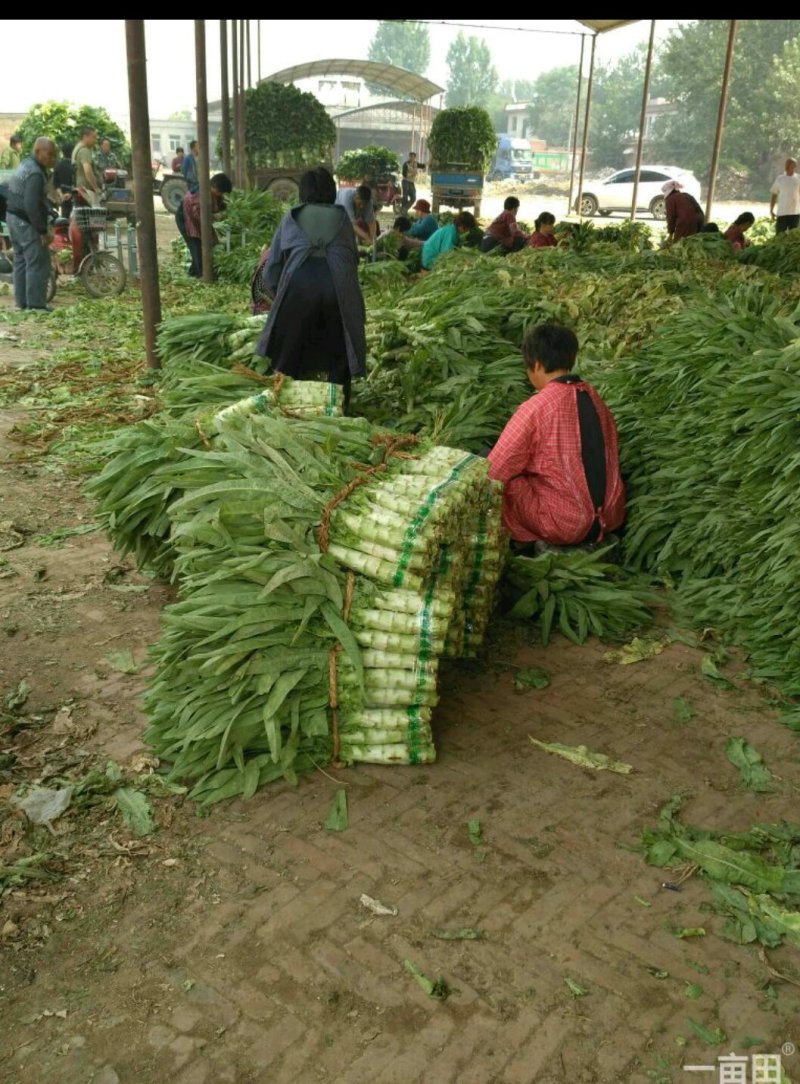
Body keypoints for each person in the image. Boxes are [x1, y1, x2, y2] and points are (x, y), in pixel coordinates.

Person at [488, 323, 625, 547]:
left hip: (566, 524)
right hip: (610, 516)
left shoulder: (537, 408)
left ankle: (523, 544)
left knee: (499, 477)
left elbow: (495, 470)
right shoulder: (595, 398)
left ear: (537, 365)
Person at [254, 166, 366, 398]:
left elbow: (272, 266)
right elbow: (352, 260)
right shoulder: (344, 218)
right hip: (337, 291)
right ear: (331, 191)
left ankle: (286, 401)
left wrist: (280, 298)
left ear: (303, 191)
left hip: (299, 288)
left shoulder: (292, 216)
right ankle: (339, 404)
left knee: (289, 349)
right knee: (339, 350)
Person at [5, 137, 58, 313]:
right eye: (49, 155)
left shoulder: (26, 164)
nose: (53, 159)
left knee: (20, 260)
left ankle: (22, 303)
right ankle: (36, 305)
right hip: (24, 220)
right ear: (38, 152)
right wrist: (42, 230)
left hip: (12, 216)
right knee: (38, 261)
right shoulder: (35, 172)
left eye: (54, 155)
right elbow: (31, 205)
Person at [177, 172, 232, 278]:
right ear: (214, 187)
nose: (221, 195)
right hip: (185, 218)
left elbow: (219, 204)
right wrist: (214, 216)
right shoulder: (200, 196)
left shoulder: (212, 192)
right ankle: (202, 275)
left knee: (206, 243)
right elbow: (201, 217)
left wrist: (226, 207)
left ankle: (193, 272)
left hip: (197, 219)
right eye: (221, 192)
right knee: (196, 246)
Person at [72, 127, 102, 207]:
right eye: (93, 137)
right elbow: (88, 171)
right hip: (86, 192)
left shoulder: (77, 148)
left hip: (79, 189)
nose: (95, 141)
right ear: (85, 137)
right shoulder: (84, 151)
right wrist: (96, 188)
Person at [770, 158, 800, 234]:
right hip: (782, 212)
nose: (792, 168)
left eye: (794, 166)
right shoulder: (780, 179)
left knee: (793, 237)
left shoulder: (798, 178)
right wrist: (771, 209)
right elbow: (774, 194)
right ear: (786, 166)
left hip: (795, 212)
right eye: (790, 166)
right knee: (779, 235)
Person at [53, 142, 74, 219]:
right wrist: (71, 193)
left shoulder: (58, 165)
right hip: (74, 197)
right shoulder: (74, 165)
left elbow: (56, 184)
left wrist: (61, 195)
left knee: (65, 218)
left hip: (63, 197)